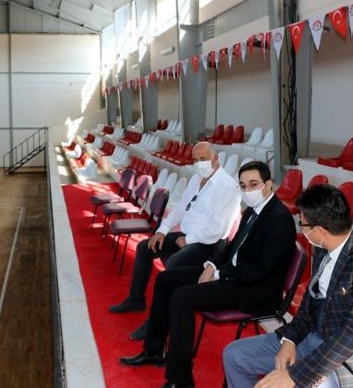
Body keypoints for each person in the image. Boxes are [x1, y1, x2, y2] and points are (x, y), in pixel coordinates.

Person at [120, 161, 297, 388]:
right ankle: (154, 351)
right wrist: (212, 265)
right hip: (234, 274)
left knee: (181, 299)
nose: (248, 190)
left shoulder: (279, 219)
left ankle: (180, 380)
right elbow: (232, 247)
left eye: (253, 184)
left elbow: (261, 270)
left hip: (253, 289)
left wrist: (219, 274)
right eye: (243, 186)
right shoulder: (253, 210)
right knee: (165, 280)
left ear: (269, 184)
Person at [223, 184, 353, 388]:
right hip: (313, 338)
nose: (301, 229)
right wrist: (290, 340)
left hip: (349, 362)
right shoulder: (325, 245)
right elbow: (310, 300)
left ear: (320, 231)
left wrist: (295, 375)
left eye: (303, 224)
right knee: (235, 355)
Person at [109, 142, 241, 314]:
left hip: (209, 244)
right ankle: (136, 300)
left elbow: (218, 231)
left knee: (174, 263)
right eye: (195, 160)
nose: (199, 163)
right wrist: (162, 230)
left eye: (203, 158)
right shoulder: (196, 179)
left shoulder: (228, 187)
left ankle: (160, 318)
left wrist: (187, 240)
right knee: (145, 247)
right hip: (186, 235)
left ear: (215, 158)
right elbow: (180, 208)